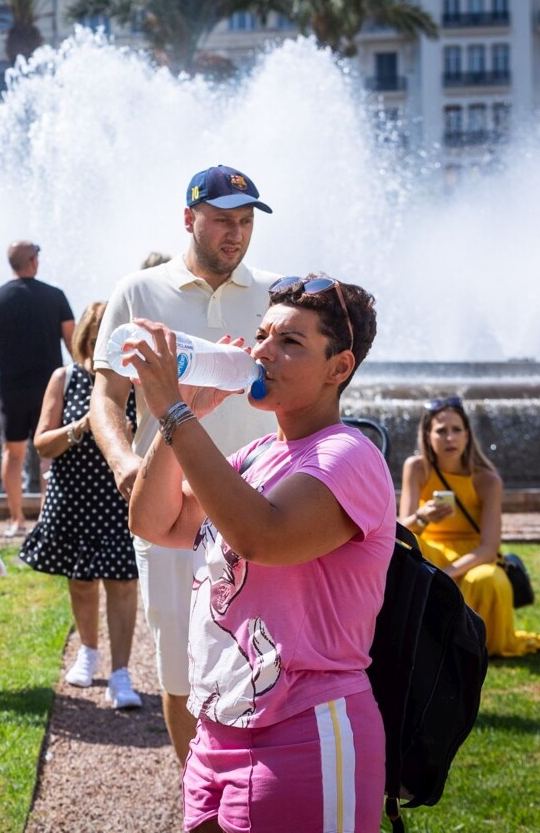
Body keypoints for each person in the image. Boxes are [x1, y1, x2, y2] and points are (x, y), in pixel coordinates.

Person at [127, 274, 394, 833]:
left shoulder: (349, 456)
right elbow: (155, 521)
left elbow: (262, 537)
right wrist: (190, 412)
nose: (261, 351)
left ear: (338, 368)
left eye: (290, 342)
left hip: (306, 732)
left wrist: (172, 411)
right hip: (218, 729)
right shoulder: (253, 456)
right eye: (263, 334)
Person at [91, 166, 277, 766]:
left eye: (246, 221)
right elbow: (105, 395)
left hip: (262, 506)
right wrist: (123, 460)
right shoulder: (138, 291)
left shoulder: (278, 295)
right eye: (223, 219)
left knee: (269, 659)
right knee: (181, 668)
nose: (236, 233)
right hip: (172, 509)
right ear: (188, 218)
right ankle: (200, 803)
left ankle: (258, 795)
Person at [19, 302, 142, 709]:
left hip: (118, 496)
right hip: (74, 495)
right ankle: (88, 653)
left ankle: (121, 674)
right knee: (82, 579)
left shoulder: (135, 382)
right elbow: (41, 442)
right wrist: (80, 426)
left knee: (123, 583)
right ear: (90, 336)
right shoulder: (65, 377)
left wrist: (132, 436)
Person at [399, 397, 540, 658]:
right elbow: (402, 531)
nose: (450, 438)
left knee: (486, 580)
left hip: (474, 554)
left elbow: (489, 548)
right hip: (432, 547)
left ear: (468, 435)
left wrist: (446, 574)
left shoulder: (487, 480)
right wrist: (423, 516)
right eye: (441, 431)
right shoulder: (416, 468)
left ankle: (480, 646)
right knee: (405, 555)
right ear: (428, 436)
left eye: (456, 430)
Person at [0, 240, 75, 538]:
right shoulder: (55, 296)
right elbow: (73, 342)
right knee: (48, 454)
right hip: (51, 389)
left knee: (12, 452)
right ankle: (46, 519)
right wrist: (87, 376)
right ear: (32, 261)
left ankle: (17, 520)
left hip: (12, 388)